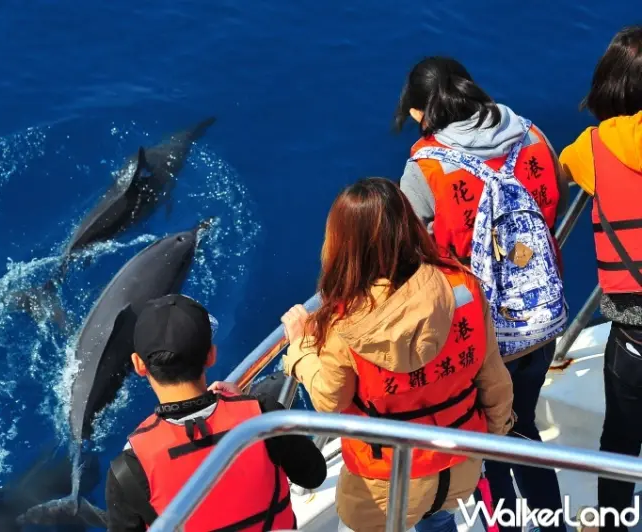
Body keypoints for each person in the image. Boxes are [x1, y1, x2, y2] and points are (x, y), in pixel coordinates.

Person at [280, 177, 514, 532]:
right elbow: (493, 378)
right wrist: (490, 442)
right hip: (459, 461)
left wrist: (300, 347)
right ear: (410, 225)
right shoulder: (463, 288)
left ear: (342, 242)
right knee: (440, 522)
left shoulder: (344, 319)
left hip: (383, 484)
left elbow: (330, 399)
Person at [394, 56, 568, 532]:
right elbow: (553, 200)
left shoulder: (426, 165)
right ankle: (553, 526)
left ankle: (506, 526)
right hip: (543, 318)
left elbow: (411, 252)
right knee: (522, 425)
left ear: (417, 113)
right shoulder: (532, 135)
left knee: (488, 441)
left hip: (482, 335)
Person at [106, 294, 327, 531]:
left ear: (139, 365)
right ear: (211, 355)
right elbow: (314, 475)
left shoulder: (129, 468)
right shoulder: (263, 416)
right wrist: (242, 403)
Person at [559, 25, 642, 532]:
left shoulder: (592, 148)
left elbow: (555, 171)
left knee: (621, 437)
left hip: (635, 337)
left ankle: (612, 522)